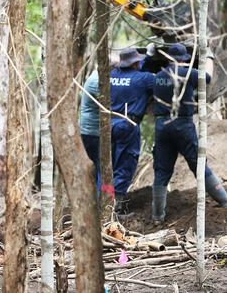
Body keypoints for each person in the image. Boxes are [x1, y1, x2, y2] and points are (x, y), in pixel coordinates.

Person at [151, 43, 227, 223]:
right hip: (182, 124)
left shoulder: (158, 76)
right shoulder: (188, 73)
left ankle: (157, 216)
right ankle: (224, 199)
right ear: (185, 59)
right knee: (198, 163)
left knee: (162, 170)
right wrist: (208, 57)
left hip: (162, 125)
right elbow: (207, 78)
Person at [110, 48, 155, 214]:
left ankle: (107, 201)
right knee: (125, 164)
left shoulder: (111, 75)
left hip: (108, 125)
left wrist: (148, 59)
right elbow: (165, 81)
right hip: (127, 126)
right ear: (136, 63)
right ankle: (117, 207)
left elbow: (135, 71)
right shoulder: (144, 79)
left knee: (109, 165)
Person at [79, 56, 120, 191]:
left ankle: (99, 204)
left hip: (92, 131)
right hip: (92, 133)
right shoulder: (97, 82)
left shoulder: (97, 78)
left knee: (99, 169)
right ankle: (102, 206)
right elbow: (110, 103)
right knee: (102, 170)